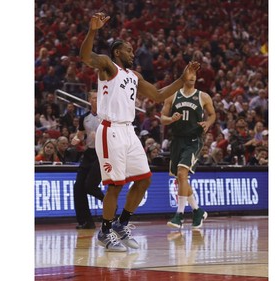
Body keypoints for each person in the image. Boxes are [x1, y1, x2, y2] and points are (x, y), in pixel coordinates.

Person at [79, 12, 200, 252]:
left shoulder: (135, 76)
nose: (133, 53)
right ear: (117, 52)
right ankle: (105, 231)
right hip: (110, 129)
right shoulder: (107, 66)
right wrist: (93, 31)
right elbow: (85, 57)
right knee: (115, 186)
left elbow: (157, 95)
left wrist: (181, 79)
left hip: (129, 132)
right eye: (129, 50)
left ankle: (122, 224)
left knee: (145, 179)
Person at [160, 74, 216, 229]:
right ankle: (197, 211)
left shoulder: (203, 96)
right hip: (177, 140)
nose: (192, 77)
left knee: (182, 174)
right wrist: (171, 119)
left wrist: (208, 123)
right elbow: (162, 118)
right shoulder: (172, 95)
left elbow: (212, 114)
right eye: (189, 74)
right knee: (180, 178)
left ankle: (179, 215)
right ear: (183, 77)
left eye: (194, 74)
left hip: (193, 140)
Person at [71, 90, 105, 229]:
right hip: (89, 153)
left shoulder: (106, 117)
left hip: (102, 153)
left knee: (90, 186)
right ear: (89, 100)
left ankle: (109, 203)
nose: (96, 100)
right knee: (78, 187)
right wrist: (76, 139)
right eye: (93, 98)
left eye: (98, 97)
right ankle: (85, 221)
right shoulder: (84, 117)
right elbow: (79, 135)